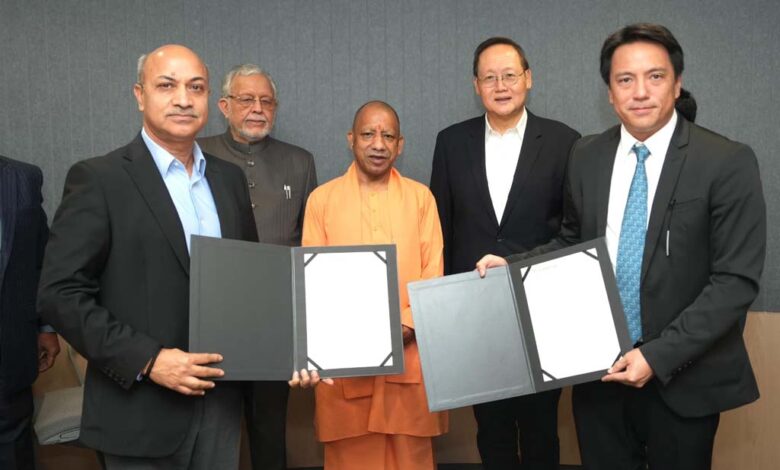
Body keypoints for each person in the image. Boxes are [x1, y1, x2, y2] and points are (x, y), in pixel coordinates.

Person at [477, 23, 766, 470]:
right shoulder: (586, 155)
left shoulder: (726, 161)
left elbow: (735, 282)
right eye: (625, 79)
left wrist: (656, 355)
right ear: (610, 93)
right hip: (599, 375)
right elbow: (573, 243)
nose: (640, 92)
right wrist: (512, 266)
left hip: (685, 378)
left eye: (655, 76)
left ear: (677, 83)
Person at [38, 44, 258, 469]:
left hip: (221, 408)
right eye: (167, 86)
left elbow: (248, 284)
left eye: (196, 87)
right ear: (140, 95)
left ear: (210, 99)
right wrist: (149, 360)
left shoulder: (229, 180)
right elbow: (59, 295)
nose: (183, 99)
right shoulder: (99, 179)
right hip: (139, 411)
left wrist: (289, 353)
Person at [429, 37, 579, 469]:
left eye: (510, 75)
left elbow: (573, 230)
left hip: (542, 308)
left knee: (541, 429)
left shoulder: (564, 141)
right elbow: (441, 229)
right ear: (476, 85)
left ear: (528, 78)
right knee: (491, 429)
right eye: (489, 77)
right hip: (476, 312)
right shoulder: (451, 142)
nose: (501, 85)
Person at [290, 101, 448, 470]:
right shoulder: (322, 200)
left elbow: (433, 275)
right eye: (368, 134)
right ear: (351, 139)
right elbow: (313, 284)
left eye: (388, 136)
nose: (378, 144)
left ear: (400, 145)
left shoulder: (421, 199)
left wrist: (406, 325)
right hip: (344, 365)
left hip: (409, 360)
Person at [198, 63, 317, 470]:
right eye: (246, 99)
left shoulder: (299, 162)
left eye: (266, 101)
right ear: (224, 106)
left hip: (275, 322)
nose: (257, 108)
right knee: (212, 432)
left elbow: (310, 241)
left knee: (269, 431)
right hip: (210, 320)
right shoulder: (197, 155)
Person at [0, 156, 59, 470]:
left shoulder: (23, 177)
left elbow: (40, 257)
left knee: (13, 452)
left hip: (10, 352)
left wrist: (45, 325)